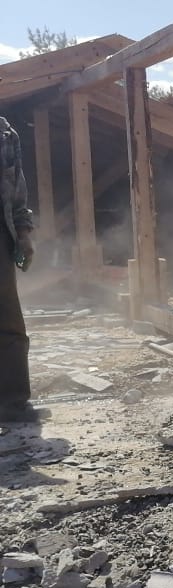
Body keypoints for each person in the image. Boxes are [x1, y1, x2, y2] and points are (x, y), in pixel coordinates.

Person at [0, 114, 38, 423]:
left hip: (2, 237)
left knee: (9, 320)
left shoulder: (6, 133)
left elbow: (17, 193)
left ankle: (13, 402)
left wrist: (24, 234)